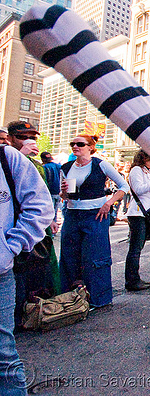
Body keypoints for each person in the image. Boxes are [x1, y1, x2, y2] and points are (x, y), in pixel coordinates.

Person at [0, 145, 53, 394]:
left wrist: (11, 247)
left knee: (3, 355)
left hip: (0, 273)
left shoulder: (7, 158)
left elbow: (40, 205)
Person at [59, 134, 129, 307]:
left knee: (95, 257)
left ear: (90, 147)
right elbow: (66, 196)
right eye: (73, 144)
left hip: (95, 215)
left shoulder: (100, 164)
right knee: (69, 256)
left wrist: (109, 203)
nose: (75, 146)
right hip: (72, 214)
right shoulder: (66, 167)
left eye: (80, 144)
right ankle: (69, 299)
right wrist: (63, 193)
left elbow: (124, 186)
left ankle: (98, 298)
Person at [7, 121, 60, 326]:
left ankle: (29, 311)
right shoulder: (9, 160)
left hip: (31, 227)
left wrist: (51, 219)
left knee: (35, 267)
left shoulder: (36, 164)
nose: (29, 141)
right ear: (10, 139)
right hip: (10, 226)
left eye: (33, 138)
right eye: (22, 137)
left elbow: (41, 197)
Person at [124, 150, 150, 291]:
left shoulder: (147, 171)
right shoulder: (136, 170)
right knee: (135, 248)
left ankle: (134, 277)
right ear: (144, 158)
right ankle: (132, 279)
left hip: (145, 212)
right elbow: (138, 189)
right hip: (137, 213)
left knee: (138, 246)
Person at [41, 151, 61, 223]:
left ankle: (51, 230)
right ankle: (54, 229)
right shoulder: (58, 166)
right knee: (55, 212)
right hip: (58, 192)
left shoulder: (44, 167)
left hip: (49, 193)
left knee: (49, 213)